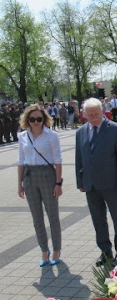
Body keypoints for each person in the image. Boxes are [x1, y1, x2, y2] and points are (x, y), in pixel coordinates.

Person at [75, 98, 117, 266]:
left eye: (96, 114)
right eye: (90, 115)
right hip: (91, 185)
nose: (94, 118)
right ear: (84, 115)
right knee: (98, 220)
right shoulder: (81, 132)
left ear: (102, 111)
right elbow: (79, 158)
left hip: (113, 185)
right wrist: (80, 181)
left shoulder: (115, 129)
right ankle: (105, 251)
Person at [17, 104, 63, 266]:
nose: (36, 122)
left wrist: (58, 183)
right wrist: (20, 184)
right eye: (32, 119)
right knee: (37, 218)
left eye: (39, 119)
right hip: (29, 176)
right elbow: (21, 161)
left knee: (52, 215)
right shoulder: (23, 136)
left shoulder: (51, 136)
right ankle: (44, 250)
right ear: (27, 120)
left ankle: (56, 249)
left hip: (47, 175)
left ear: (44, 119)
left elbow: (57, 160)